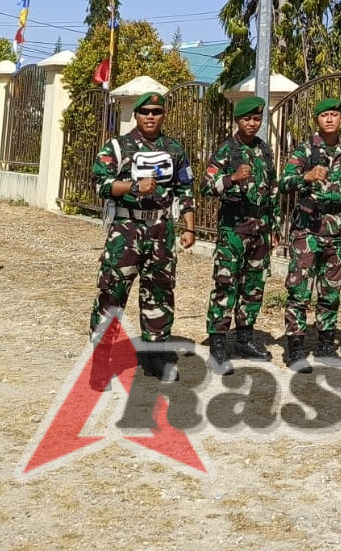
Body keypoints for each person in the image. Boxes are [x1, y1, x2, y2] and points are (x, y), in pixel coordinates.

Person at [88, 89, 195, 382]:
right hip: (126, 229)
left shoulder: (174, 149)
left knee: (159, 292)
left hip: (161, 230)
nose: (151, 116)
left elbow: (185, 189)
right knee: (113, 292)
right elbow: (100, 184)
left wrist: (189, 227)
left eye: (156, 112)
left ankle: (154, 355)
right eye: (145, 112)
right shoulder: (118, 147)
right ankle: (101, 358)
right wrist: (134, 187)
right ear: (136, 115)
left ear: (164, 115)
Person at [279, 96, 341, 371]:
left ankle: (326, 346)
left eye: (334, 114)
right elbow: (284, 183)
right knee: (299, 291)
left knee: (331, 292)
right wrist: (306, 176)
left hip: (336, 232)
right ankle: (296, 348)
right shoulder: (305, 151)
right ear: (317, 120)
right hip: (307, 231)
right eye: (324, 115)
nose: (329, 119)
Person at [202, 94, 277, 373]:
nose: (252, 123)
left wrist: (274, 226)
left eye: (257, 119)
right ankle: (218, 344)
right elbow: (206, 186)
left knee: (253, 286)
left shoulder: (264, 150)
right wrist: (231, 178)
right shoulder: (226, 150)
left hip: (259, 229)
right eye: (247, 118)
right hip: (233, 229)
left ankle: (245, 339)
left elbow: (272, 190)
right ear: (237, 121)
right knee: (226, 284)